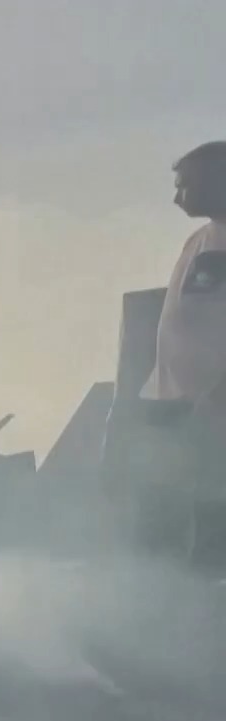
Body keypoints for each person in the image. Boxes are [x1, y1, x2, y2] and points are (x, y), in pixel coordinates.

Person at [136, 141, 226, 564]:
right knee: (165, 496)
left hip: (214, 401)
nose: (177, 198)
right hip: (173, 397)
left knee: (213, 497)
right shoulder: (201, 239)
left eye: (185, 186)